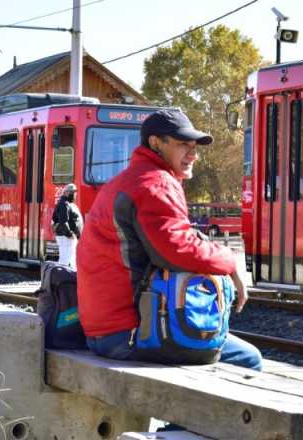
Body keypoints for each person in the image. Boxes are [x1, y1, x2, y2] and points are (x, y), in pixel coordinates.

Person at [77, 109, 262, 370]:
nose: (192, 154)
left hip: (102, 330)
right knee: (250, 360)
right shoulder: (155, 183)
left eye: (194, 146)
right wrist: (229, 261)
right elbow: (176, 251)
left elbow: (171, 239)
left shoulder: (124, 180)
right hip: (130, 332)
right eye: (182, 145)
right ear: (155, 143)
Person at [52, 183, 82, 268]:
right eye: (72, 192)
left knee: (70, 259)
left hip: (67, 237)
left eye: (75, 192)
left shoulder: (67, 204)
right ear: (66, 193)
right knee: (65, 260)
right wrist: (70, 234)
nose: (74, 194)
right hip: (65, 237)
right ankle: (61, 279)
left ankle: (69, 278)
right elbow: (63, 222)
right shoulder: (64, 204)